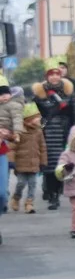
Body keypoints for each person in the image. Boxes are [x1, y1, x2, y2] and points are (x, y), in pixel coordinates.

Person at [34, 58, 75, 211]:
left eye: (57, 74)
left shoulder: (68, 90)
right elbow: (35, 113)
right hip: (47, 133)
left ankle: (58, 190)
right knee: (49, 165)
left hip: (64, 131)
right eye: (51, 74)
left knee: (61, 163)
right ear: (46, 76)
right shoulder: (40, 93)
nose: (54, 77)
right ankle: (51, 194)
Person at [9, 102, 46, 217]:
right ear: (29, 120)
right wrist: (12, 161)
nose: (39, 119)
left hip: (34, 163)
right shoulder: (20, 132)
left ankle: (29, 203)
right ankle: (16, 197)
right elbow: (12, 148)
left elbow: (43, 147)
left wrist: (43, 162)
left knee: (33, 184)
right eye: (36, 118)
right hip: (21, 164)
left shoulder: (39, 132)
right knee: (20, 183)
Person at [0, 75, 24, 220]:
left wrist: (14, 133)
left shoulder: (13, 106)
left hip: (1, 150)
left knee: (2, 193)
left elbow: (17, 120)